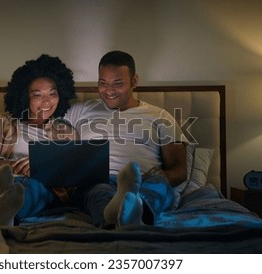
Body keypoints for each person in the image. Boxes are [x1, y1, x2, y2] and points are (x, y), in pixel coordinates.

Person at [64, 50, 187, 228]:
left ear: (134, 81)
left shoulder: (161, 117)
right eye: (103, 83)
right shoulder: (80, 110)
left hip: (143, 181)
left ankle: (127, 213)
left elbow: (180, 170)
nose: (109, 91)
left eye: (118, 84)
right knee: (98, 191)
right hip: (100, 180)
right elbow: (40, 126)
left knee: (158, 187)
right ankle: (121, 216)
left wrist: (163, 175)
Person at [0, 54, 78, 226]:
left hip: (39, 185)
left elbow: (73, 174)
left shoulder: (66, 133)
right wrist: (12, 167)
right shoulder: (2, 122)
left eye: (52, 94)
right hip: (2, 180)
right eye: (38, 95)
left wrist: (40, 167)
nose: (47, 101)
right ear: (25, 96)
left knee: (32, 191)